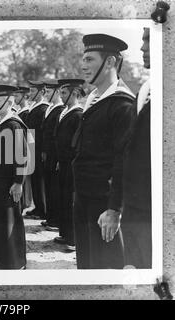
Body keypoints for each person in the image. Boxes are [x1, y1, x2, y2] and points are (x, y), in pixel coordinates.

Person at [72, 34, 135, 269]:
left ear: (109, 62)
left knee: (105, 271)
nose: (83, 65)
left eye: (89, 59)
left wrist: (114, 210)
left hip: (103, 206)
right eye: (83, 59)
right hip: (84, 199)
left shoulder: (123, 105)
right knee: (87, 267)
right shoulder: (94, 100)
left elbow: (124, 162)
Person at [0, 84, 28, 269]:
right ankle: (2, 258)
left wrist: (18, 182)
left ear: (9, 102)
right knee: (0, 219)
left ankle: (14, 261)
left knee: (11, 219)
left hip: (9, 181)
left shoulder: (13, 124)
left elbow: (22, 156)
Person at [122, 28, 152, 269]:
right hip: (136, 207)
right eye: (142, 39)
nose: (142, 47)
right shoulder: (145, 90)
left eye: (149, 39)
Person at [54, 79, 85, 252]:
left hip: (72, 163)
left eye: (64, 93)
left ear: (75, 94)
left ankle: (73, 239)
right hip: (64, 162)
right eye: (60, 92)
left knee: (71, 201)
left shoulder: (78, 114)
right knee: (63, 198)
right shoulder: (66, 112)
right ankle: (65, 233)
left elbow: (76, 144)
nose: (61, 96)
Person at [40, 79, 65, 231]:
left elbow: (56, 136)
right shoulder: (51, 108)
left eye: (49, 92)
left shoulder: (60, 109)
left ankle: (55, 220)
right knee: (48, 186)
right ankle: (51, 217)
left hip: (54, 155)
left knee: (55, 188)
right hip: (47, 154)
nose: (46, 94)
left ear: (57, 92)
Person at [24, 80, 49, 219]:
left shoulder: (43, 108)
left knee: (39, 180)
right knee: (34, 180)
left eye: (33, 91)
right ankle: (38, 207)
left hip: (38, 149)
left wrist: (42, 150)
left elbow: (42, 132)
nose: (30, 93)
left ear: (42, 92)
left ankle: (42, 209)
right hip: (32, 148)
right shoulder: (34, 107)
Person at [14, 86, 33, 211]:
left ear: (24, 96)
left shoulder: (26, 112)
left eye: (17, 96)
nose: (15, 98)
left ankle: (26, 202)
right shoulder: (19, 112)